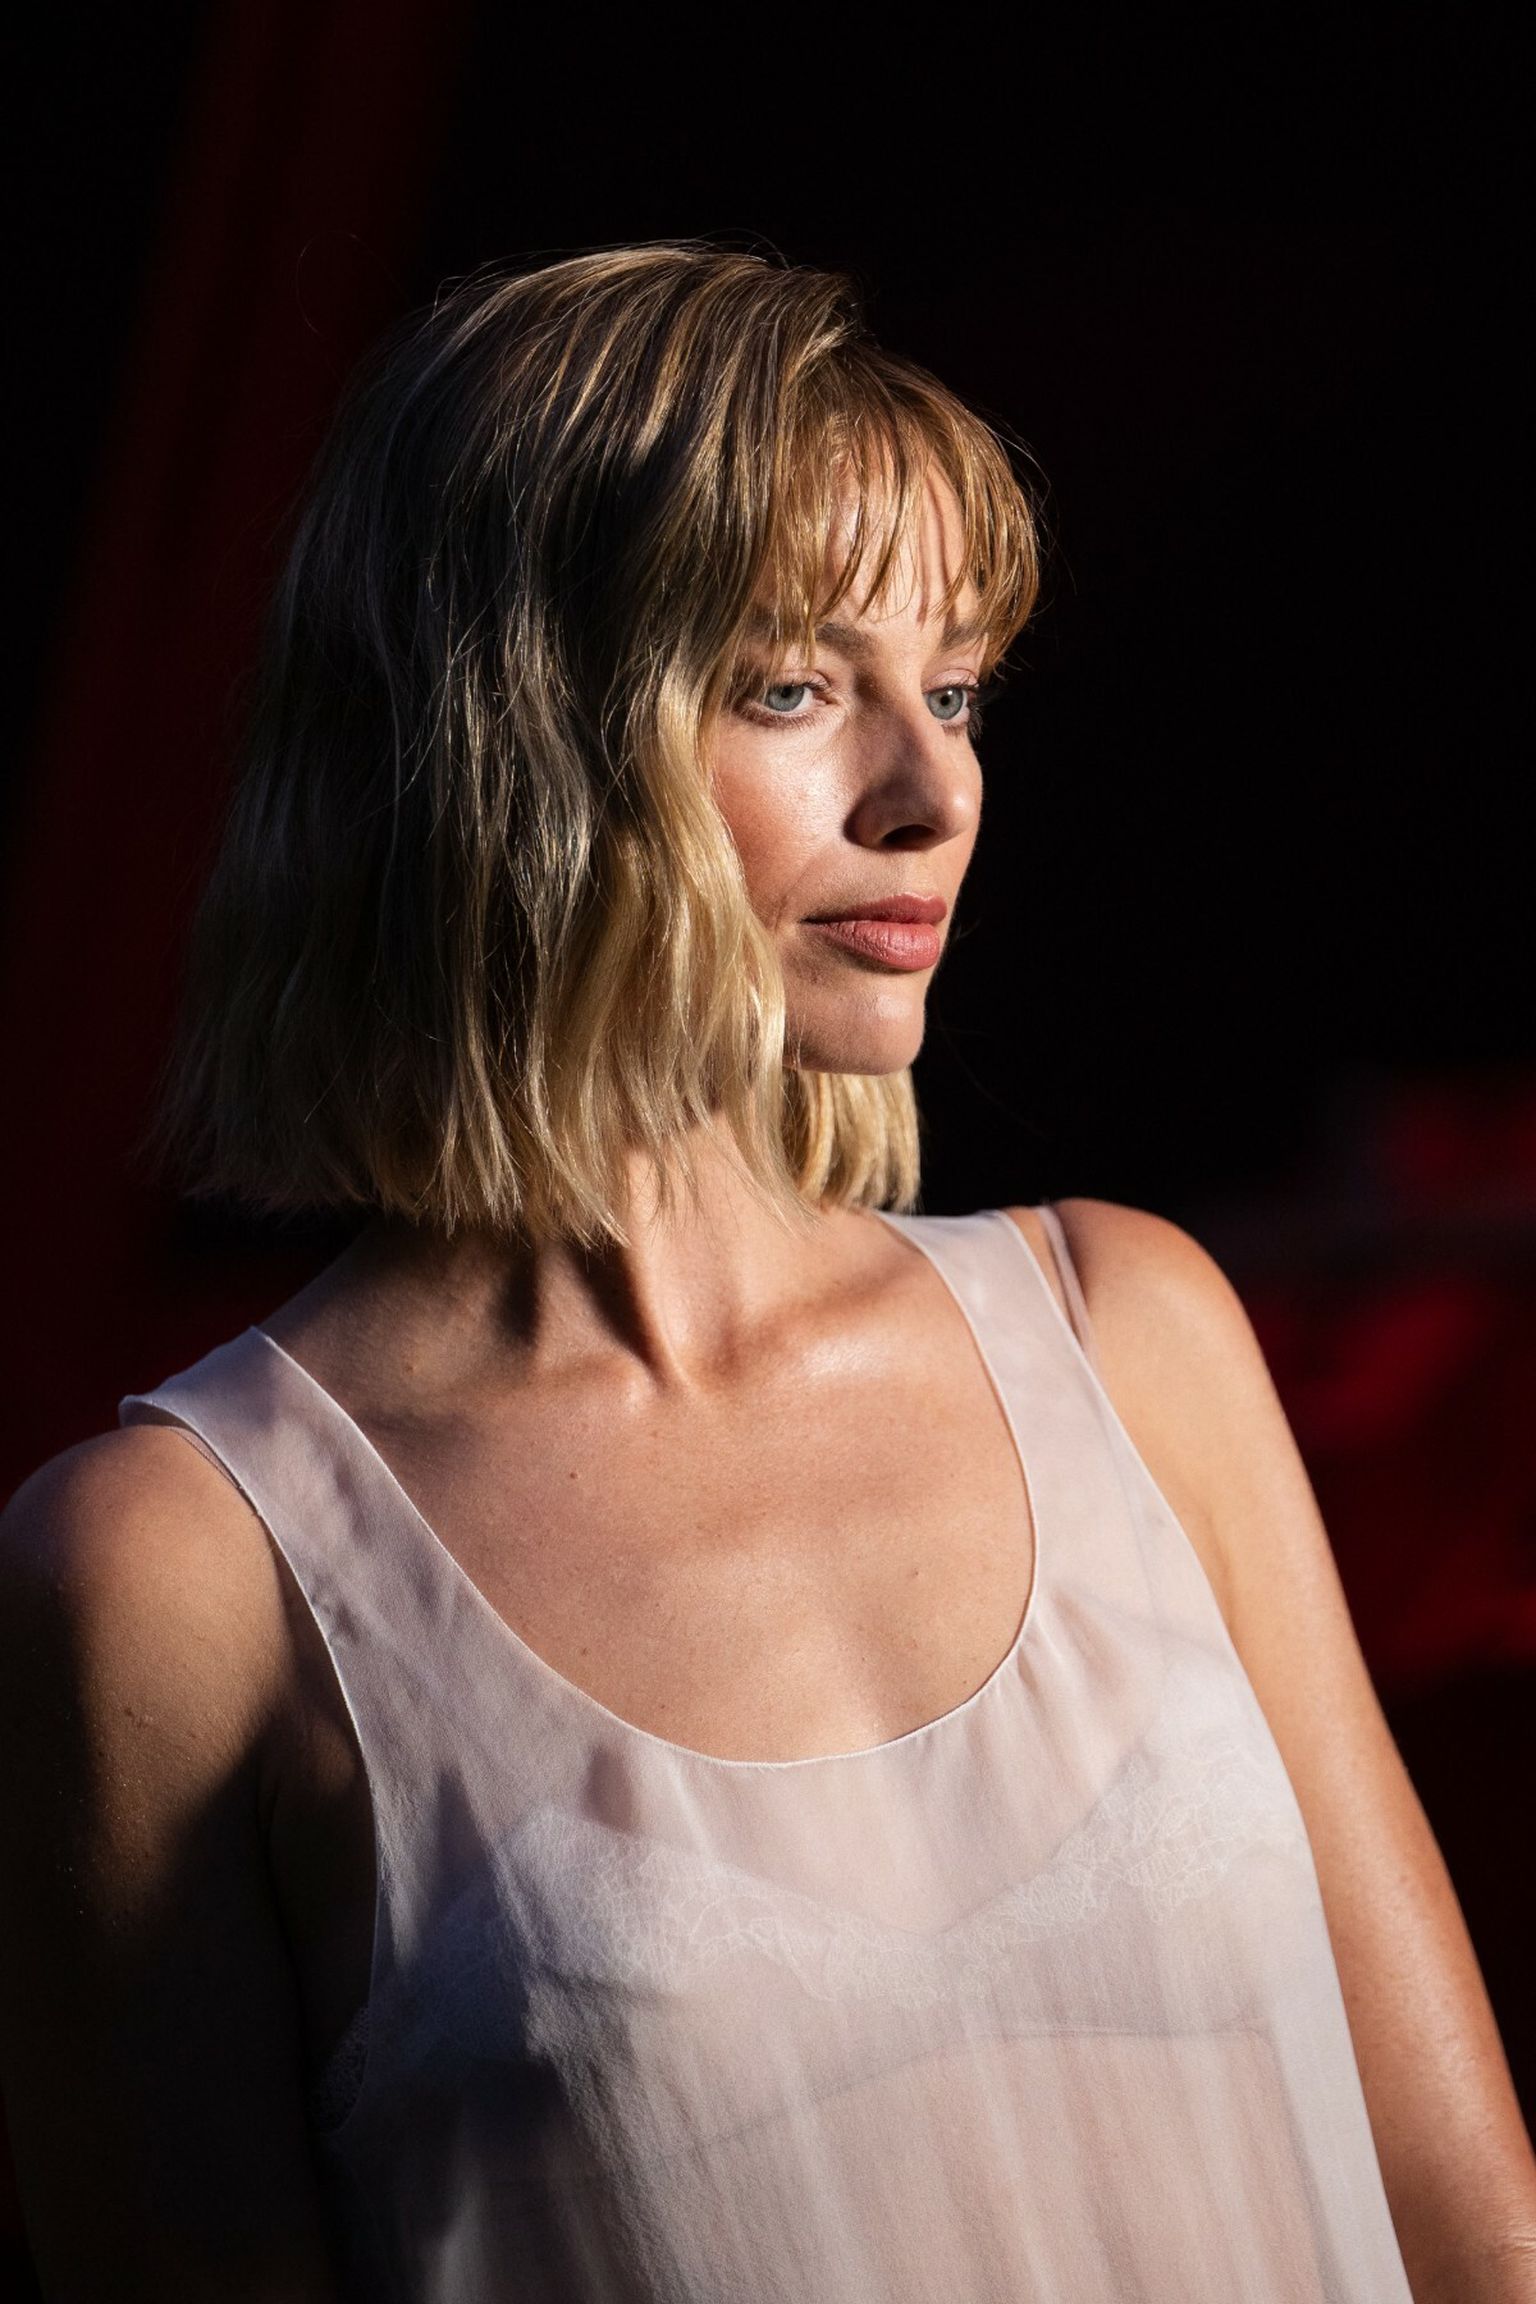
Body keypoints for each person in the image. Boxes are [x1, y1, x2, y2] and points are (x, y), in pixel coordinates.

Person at [1, 243, 1531, 2304]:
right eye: (796, 686)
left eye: (955, 687)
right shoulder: (173, 1577)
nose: (934, 790)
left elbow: (1478, 2235)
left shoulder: (1132, 1336)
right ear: (509, 734)